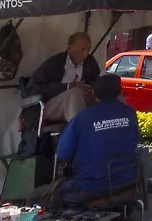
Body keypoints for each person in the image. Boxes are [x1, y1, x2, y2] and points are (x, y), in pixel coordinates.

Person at [31, 73, 140, 208]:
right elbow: (134, 141)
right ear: (121, 92)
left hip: (92, 187)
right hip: (127, 182)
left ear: (94, 94)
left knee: (37, 195)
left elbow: (62, 153)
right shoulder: (130, 113)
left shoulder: (83, 118)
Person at [27, 32, 100, 123]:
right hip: (50, 105)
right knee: (74, 92)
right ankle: (78, 129)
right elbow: (33, 89)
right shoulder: (54, 64)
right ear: (69, 48)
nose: (85, 54)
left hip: (80, 104)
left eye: (88, 50)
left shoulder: (90, 63)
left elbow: (95, 83)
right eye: (82, 49)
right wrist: (67, 86)